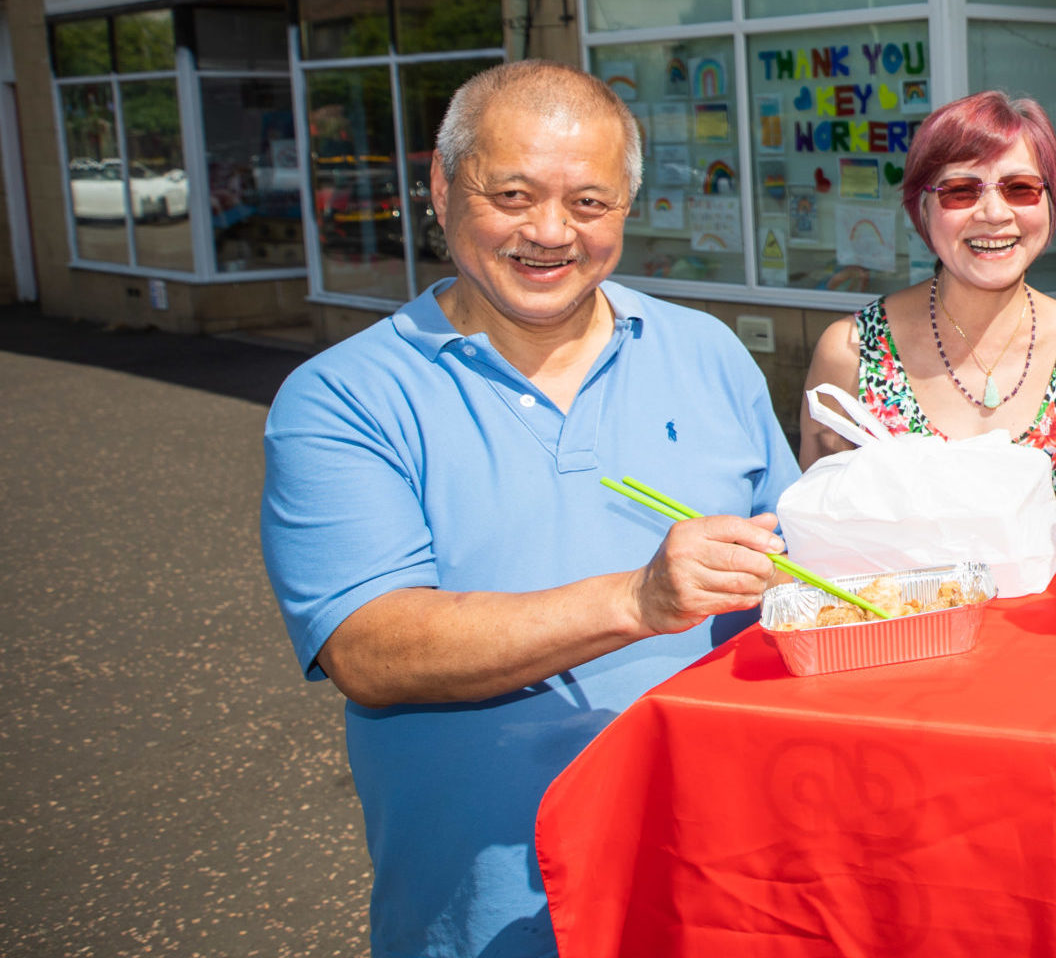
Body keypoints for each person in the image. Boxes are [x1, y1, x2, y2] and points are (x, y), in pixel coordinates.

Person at [260, 60, 801, 958]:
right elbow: (368, 646)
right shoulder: (342, 397)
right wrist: (635, 602)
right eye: (512, 194)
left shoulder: (704, 351)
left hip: (719, 879)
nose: (550, 233)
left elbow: (787, 565)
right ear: (441, 185)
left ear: (627, 206)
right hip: (492, 913)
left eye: (589, 204)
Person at [800, 91, 1056, 525]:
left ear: (1051, 203)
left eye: (1020, 189)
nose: (995, 213)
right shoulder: (851, 353)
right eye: (960, 191)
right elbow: (816, 525)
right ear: (922, 208)